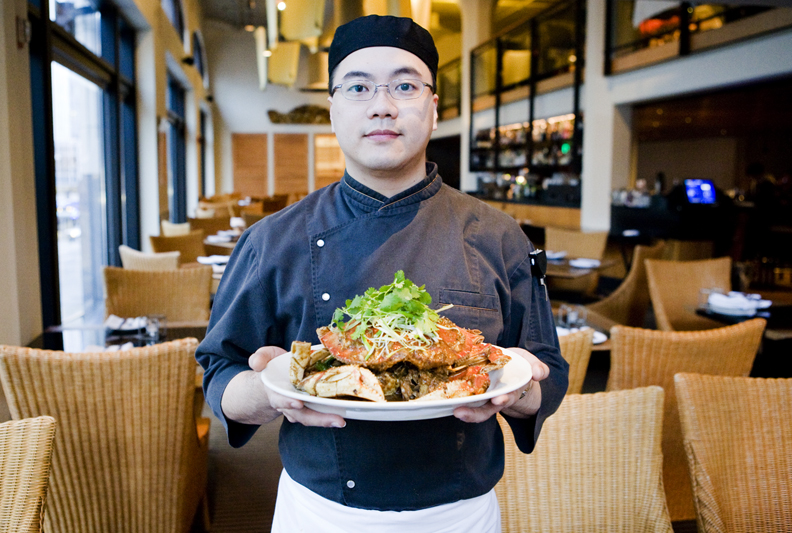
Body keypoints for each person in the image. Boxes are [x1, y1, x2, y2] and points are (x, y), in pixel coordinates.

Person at [196, 14, 568, 532]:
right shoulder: (272, 239)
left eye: (405, 85)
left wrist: (521, 390)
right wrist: (268, 391)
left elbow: (547, 368)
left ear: (433, 109)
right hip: (318, 514)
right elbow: (220, 370)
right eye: (358, 86)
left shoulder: (498, 235)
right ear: (333, 109)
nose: (382, 105)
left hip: (459, 517)